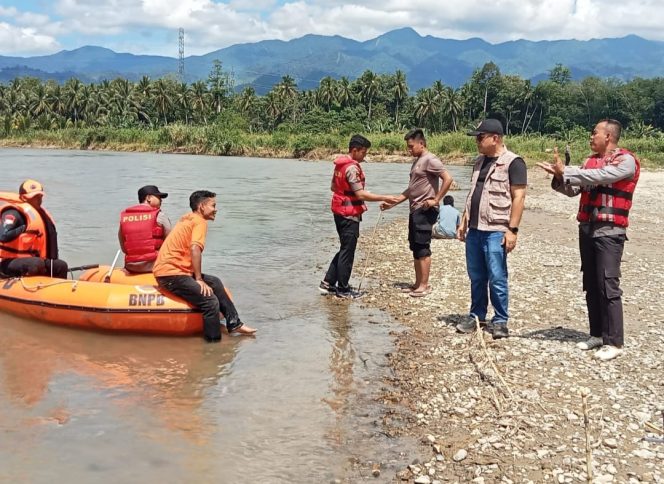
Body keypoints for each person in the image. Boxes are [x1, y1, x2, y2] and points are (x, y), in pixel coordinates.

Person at [537, 119, 639, 361]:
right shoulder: (588, 162)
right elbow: (573, 190)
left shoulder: (626, 161)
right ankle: (597, 334)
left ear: (609, 137)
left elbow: (603, 175)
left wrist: (569, 172)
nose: (591, 137)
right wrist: (559, 178)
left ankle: (614, 342)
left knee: (607, 284)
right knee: (591, 283)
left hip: (610, 231)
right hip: (587, 229)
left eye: (595, 133)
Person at [455, 119, 527, 339]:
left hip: (496, 229)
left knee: (497, 276)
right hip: (475, 229)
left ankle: (500, 320)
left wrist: (512, 230)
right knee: (476, 276)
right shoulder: (479, 162)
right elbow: (474, 193)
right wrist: (465, 219)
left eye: (480, 137)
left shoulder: (513, 163)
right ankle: (477, 315)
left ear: (495, 138)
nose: (477, 141)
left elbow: (519, 197)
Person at [153, 190, 257, 342]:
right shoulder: (199, 222)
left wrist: (197, 277)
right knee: (210, 301)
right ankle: (212, 344)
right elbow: (195, 249)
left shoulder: (188, 218)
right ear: (202, 206)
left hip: (175, 271)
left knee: (215, 282)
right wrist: (199, 279)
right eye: (213, 205)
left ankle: (234, 323)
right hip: (170, 274)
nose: (216, 209)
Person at [319, 134, 399, 299]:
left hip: (338, 211)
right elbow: (361, 194)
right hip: (348, 215)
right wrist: (384, 197)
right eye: (363, 152)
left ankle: (327, 282)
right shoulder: (352, 168)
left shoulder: (340, 165)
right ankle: (343, 289)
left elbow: (334, 187)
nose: (364, 156)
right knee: (348, 251)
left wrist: (352, 194)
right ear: (354, 150)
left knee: (344, 248)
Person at [381, 128, 453, 297]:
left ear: (421, 143)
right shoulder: (417, 161)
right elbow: (412, 188)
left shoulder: (431, 160)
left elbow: (448, 179)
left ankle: (425, 285)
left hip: (425, 209)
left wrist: (436, 200)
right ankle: (417, 283)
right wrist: (394, 202)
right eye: (408, 146)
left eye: (411, 146)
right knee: (415, 246)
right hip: (415, 209)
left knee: (422, 247)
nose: (409, 150)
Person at [0, 180, 68, 279]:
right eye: (34, 197)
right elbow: (3, 235)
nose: (39, 200)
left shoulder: (42, 214)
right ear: (23, 197)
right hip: (6, 262)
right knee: (36, 263)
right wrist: (22, 228)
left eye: (40, 197)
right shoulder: (14, 213)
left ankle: (59, 292)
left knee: (61, 266)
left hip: (32, 261)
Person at [118, 185, 172, 273]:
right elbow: (171, 243)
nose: (161, 200)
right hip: (154, 265)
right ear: (149, 198)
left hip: (131, 266)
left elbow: (124, 248)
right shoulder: (160, 215)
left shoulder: (125, 217)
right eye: (158, 197)